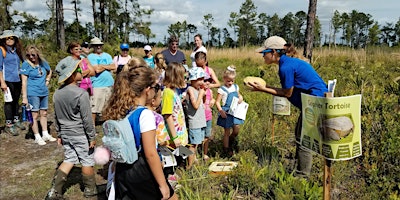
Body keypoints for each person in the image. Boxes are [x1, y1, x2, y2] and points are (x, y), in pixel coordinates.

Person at [250, 35, 328, 177]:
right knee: (300, 135)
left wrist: (262, 88)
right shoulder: (289, 63)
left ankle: (303, 176)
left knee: (304, 139)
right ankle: (301, 169)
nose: (263, 56)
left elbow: (287, 93)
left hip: (315, 102)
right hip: (314, 101)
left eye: (264, 53)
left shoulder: (285, 67)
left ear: (273, 52)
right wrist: (266, 87)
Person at [102, 65, 177, 200]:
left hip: (123, 169)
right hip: (141, 170)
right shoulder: (145, 114)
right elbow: (150, 153)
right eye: (155, 88)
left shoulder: (121, 110)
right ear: (147, 90)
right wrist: (163, 184)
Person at [45, 56, 97, 199]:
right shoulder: (81, 94)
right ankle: (90, 190)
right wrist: (91, 137)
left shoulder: (57, 94)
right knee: (87, 161)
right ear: (73, 74)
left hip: (66, 134)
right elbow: (87, 119)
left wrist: (59, 134)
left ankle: (54, 191)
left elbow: (56, 117)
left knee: (69, 159)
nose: (82, 71)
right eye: (79, 69)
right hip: (80, 134)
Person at [21, 45, 56, 145]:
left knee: (44, 113)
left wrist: (47, 80)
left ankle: (45, 133)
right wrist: (24, 97)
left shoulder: (43, 63)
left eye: (33, 55)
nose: (31, 57)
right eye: (28, 55)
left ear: (38, 54)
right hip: (32, 92)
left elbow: (49, 71)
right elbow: (24, 82)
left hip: (43, 91)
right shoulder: (25, 65)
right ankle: (37, 136)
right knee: (34, 115)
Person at [0, 30, 25, 135]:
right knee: (9, 101)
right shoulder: (2, 50)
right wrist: (2, 83)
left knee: (16, 100)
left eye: (12, 38)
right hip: (7, 80)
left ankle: (16, 119)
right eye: (7, 38)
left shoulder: (15, 51)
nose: (10, 40)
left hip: (17, 79)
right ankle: (9, 124)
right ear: (3, 40)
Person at [215, 66, 244, 157]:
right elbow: (217, 102)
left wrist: (241, 98)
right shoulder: (222, 90)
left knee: (236, 129)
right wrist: (221, 111)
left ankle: (231, 140)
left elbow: (239, 95)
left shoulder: (235, 87)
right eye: (228, 81)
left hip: (235, 111)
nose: (230, 83)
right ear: (224, 79)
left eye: (232, 81)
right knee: (226, 131)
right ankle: (226, 149)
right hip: (226, 112)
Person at [194, 52, 218, 160]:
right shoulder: (194, 72)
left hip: (207, 104)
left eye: (202, 65)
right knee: (197, 132)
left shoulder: (210, 70)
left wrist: (210, 85)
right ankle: (195, 154)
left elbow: (218, 83)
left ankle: (204, 152)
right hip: (199, 107)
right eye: (198, 65)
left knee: (207, 133)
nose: (200, 67)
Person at [87, 37, 115, 127]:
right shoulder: (90, 57)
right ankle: (92, 127)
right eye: (96, 45)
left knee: (109, 106)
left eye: (99, 45)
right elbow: (97, 70)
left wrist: (102, 66)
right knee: (94, 107)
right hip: (97, 85)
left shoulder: (107, 55)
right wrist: (107, 66)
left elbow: (114, 67)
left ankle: (109, 124)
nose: (98, 46)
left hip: (109, 84)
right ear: (93, 46)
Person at [162, 62, 189, 148]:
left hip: (180, 132)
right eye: (183, 77)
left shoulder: (175, 91)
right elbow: (168, 115)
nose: (185, 79)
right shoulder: (168, 92)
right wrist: (175, 137)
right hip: (174, 136)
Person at [185, 67, 207, 169]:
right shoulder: (190, 89)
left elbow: (203, 102)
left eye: (203, 79)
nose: (202, 82)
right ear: (193, 79)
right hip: (195, 122)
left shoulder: (198, 89)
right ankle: (189, 166)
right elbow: (195, 105)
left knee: (197, 143)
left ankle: (194, 160)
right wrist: (201, 94)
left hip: (200, 121)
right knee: (193, 145)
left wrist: (204, 93)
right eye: (200, 79)